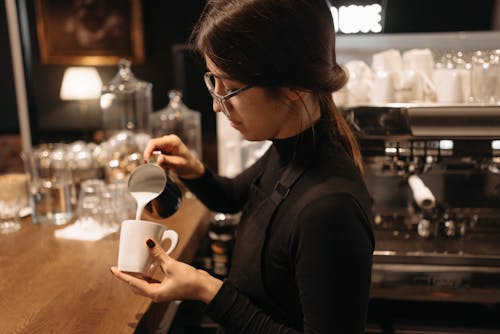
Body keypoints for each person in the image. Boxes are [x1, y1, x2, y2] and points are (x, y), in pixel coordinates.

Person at [110, 0, 375, 332]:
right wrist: (195, 171)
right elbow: (236, 195)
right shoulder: (290, 148)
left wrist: (206, 289)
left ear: (295, 86)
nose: (217, 106)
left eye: (231, 89)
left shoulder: (330, 208)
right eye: (214, 81)